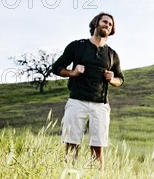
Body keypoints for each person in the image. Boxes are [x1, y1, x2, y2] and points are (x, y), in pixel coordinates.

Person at [52, 12, 124, 169]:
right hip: (77, 101)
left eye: (110, 24)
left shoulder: (112, 54)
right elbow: (56, 67)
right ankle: (69, 175)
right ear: (96, 23)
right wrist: (72, 72)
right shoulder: (77, 46)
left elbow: (120, 79)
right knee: (72, 144)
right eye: (105, 22)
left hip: (100, 105)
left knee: (98, 147)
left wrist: (112, 79)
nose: (107, 25)